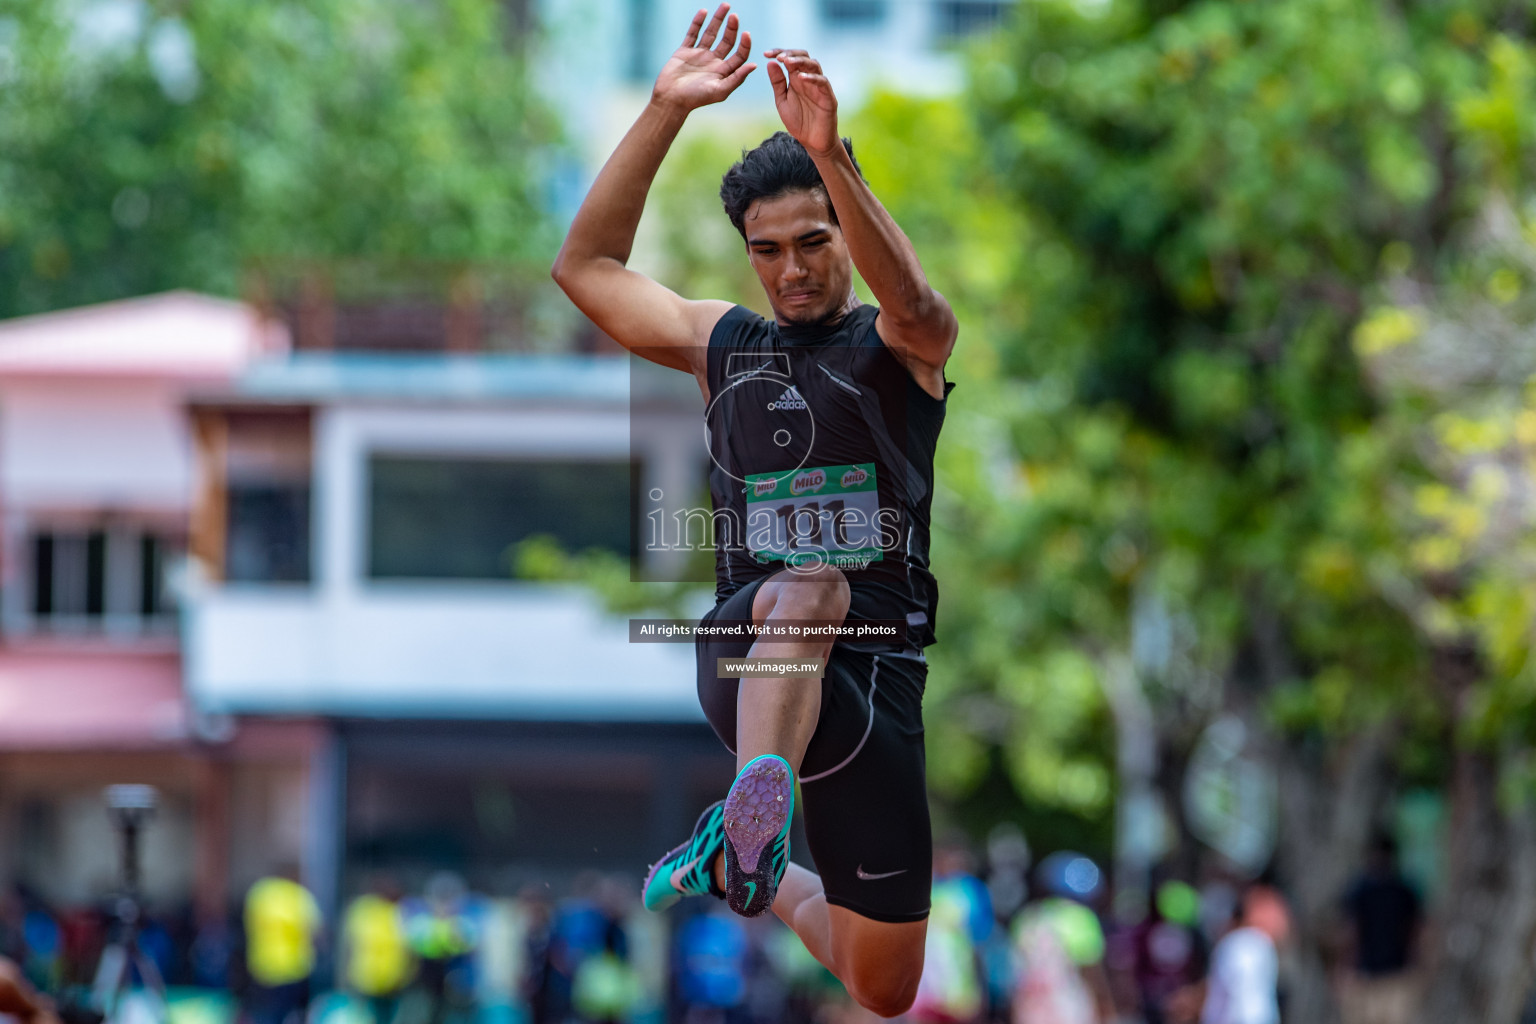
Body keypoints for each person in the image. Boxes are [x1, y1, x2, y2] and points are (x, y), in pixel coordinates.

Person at [550, 4, 957, 1017]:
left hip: (875, 686)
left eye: (814, 240)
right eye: (767, 250)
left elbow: (919, 308)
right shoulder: (721, 345)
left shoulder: (899, 349)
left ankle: (750, 861)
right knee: (810, 583)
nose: (792, 268)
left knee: (885, 985)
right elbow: (586, 272)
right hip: (752, 653)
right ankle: (754, 806)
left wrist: (835, 155)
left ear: (846, 232)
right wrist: (662, 109)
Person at [1337, 834, 1421, 1024]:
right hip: (1394, 972)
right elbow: (1416, 931)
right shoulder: (1405, 890)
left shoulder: (1360, 889)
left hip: (1371, 973)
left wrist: (1345, 966)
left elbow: (1350, 931)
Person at [243, 869, 321, 1024]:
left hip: (262, 968)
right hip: (292, 970)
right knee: (290, 1015)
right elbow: (314, 933)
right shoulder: (299, 896)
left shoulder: (259, 893)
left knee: (264, 1014)